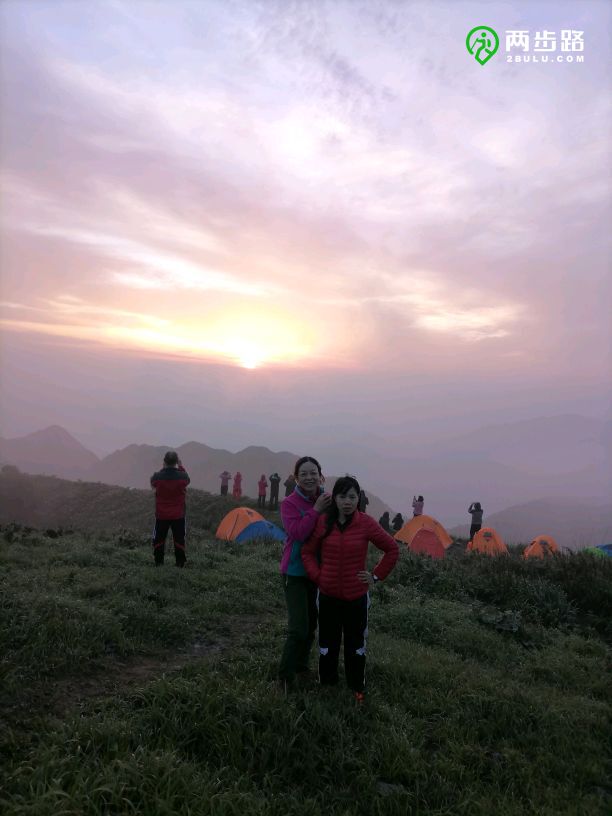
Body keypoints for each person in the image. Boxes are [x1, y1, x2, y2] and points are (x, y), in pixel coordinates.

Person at [302, 476, 399, 702]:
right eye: (343, 496)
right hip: (328, 596)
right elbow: (307, 552)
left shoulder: (366, 523)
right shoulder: (324, 522)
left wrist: (375, 576)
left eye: (352, 497)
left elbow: (392, 549)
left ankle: (356, 687)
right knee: (328, 642)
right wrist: (318, 576)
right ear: (334, 498)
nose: (347, 501)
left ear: (358, 499)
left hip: (357, 597)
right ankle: (327, 684)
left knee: (356, 644)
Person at [278, 456, 331, 691]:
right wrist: (316, 510)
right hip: (295, 572)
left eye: (313, 473)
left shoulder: (328, 499)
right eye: (304, 474)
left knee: (311, 626)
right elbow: (298, 533)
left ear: (321, 476)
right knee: (299, 628)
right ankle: (284, 678)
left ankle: (301, 667)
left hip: (318, 572)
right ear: (296, 478)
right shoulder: (289, 503)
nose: (309, 477)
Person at [150, 451, 190, 567]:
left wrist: (163, 468)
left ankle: (158, 562)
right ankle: (180, 563)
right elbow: (187, 480)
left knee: (159, 539)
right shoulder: (182, 476)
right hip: (178, 514)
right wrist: (181, 467)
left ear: (164, 461)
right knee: (179, 539)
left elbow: (153, 483)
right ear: (176, 461)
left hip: (161, 514)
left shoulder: (157, 477)